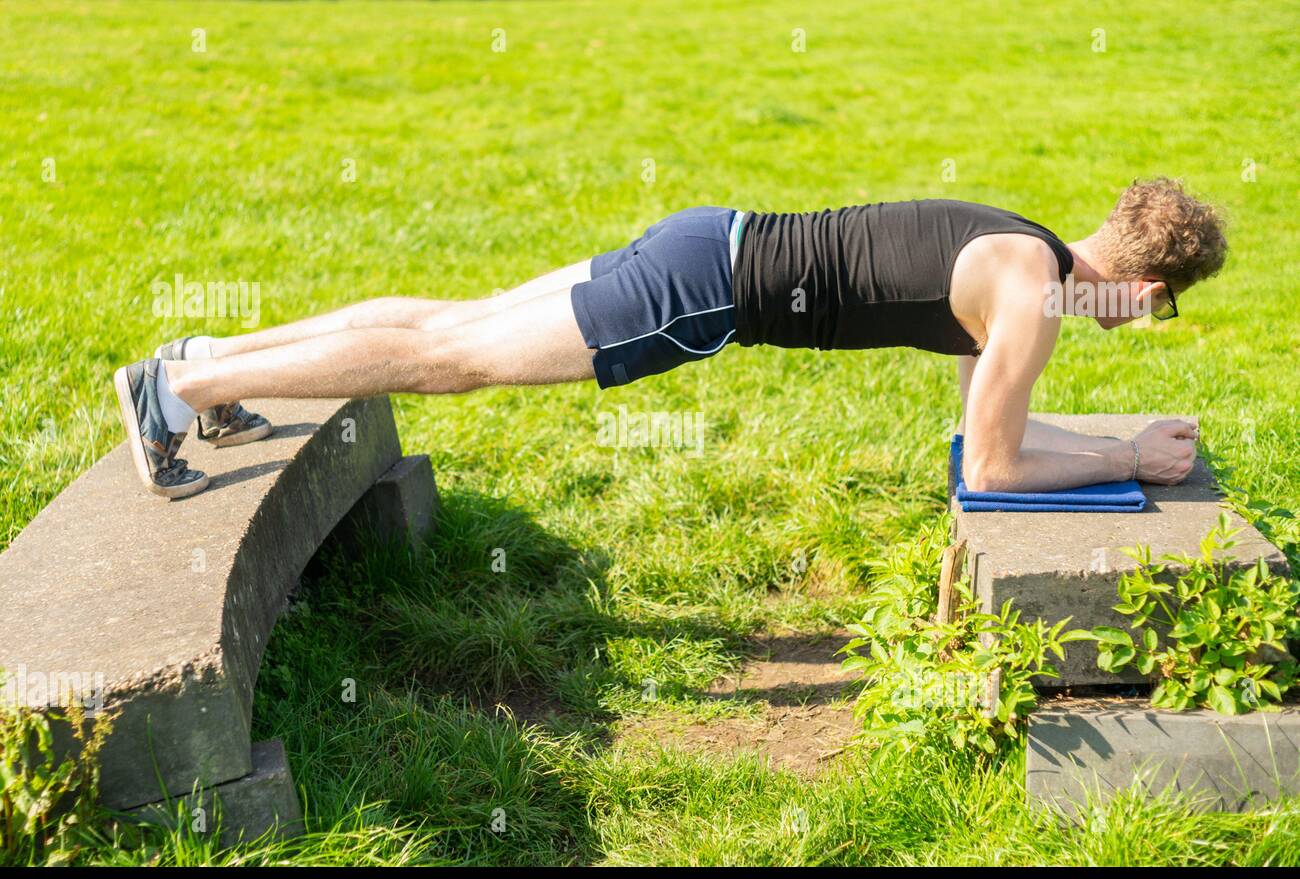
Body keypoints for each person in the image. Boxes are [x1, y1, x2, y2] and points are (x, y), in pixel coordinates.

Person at [113, 177, 1224, 499]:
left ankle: (206, 365)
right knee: (453, 360)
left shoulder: (1022, 246)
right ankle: (179, 391)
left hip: (711, 236)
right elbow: (988, 465)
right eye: (1161, 308)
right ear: (1142, 283)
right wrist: (1131, 459)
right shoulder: (1030, 296)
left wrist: (1097, 441)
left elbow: (1002, 426)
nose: (1146, 327)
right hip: (707, 292)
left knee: (447, 320)